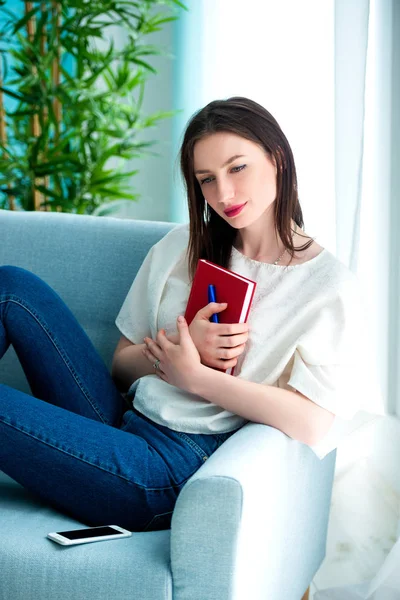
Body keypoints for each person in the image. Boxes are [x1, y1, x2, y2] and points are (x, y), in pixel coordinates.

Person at [0, 96, 371, 533]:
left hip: (168, 471)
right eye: (207, 180)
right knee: (13, 287)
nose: (224, 194)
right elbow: (121, 366)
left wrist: (197, 377)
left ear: (277, 158)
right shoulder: (181, 246)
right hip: (122, 418)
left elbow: (310, 423)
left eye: (237, 168)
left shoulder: (328, 287)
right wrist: (180, 349)